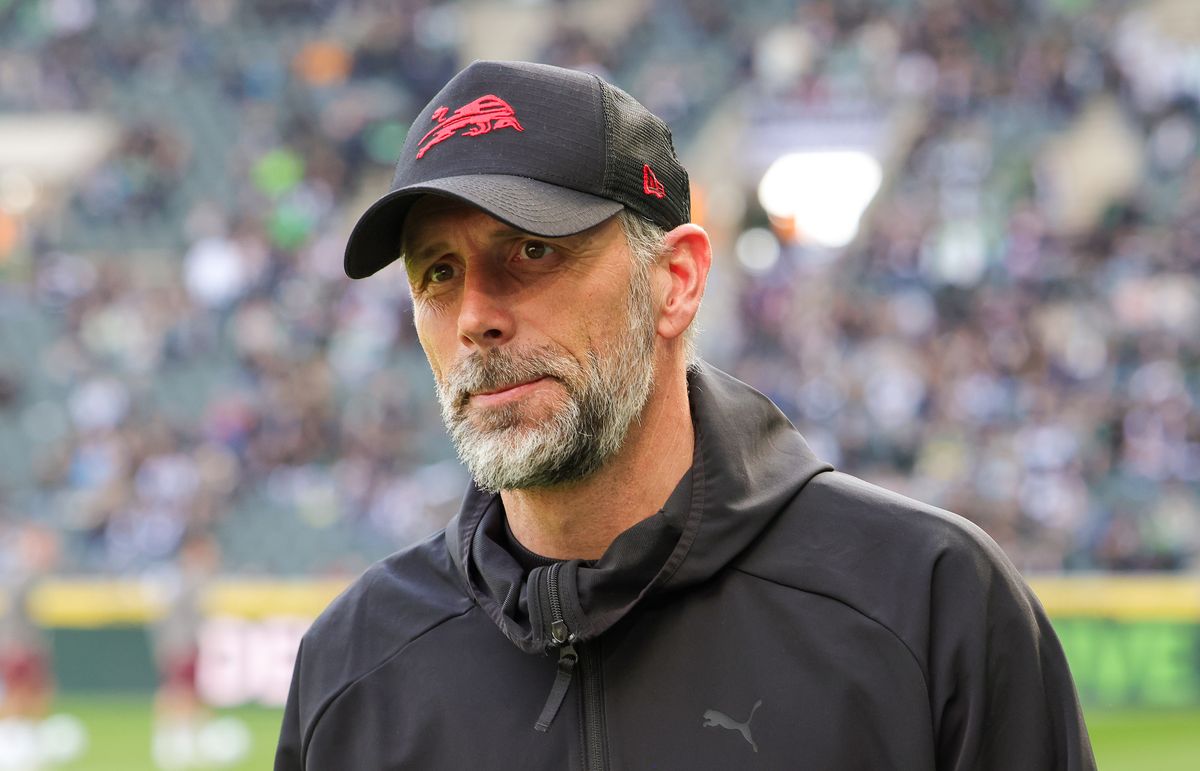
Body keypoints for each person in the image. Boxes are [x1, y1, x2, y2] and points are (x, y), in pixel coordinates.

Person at [275, 60, 1096, 770]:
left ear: (677, 282)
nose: (474, 316)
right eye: (438, 272)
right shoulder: (353, 666)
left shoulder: (931, 602)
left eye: (531, 250)